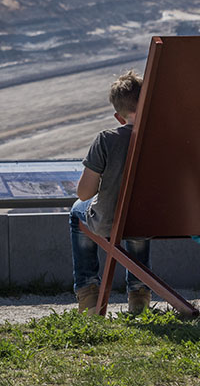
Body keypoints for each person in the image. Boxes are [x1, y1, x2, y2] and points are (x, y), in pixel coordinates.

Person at [70, 71, 152, 315]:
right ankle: (139, 293)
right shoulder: (164, 137)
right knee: (139, 220)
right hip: (154, 219)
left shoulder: (106, 140)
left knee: (77, 212)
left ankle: (89, 294)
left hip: (109, 221)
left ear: (118, 116)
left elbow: (84, 193)